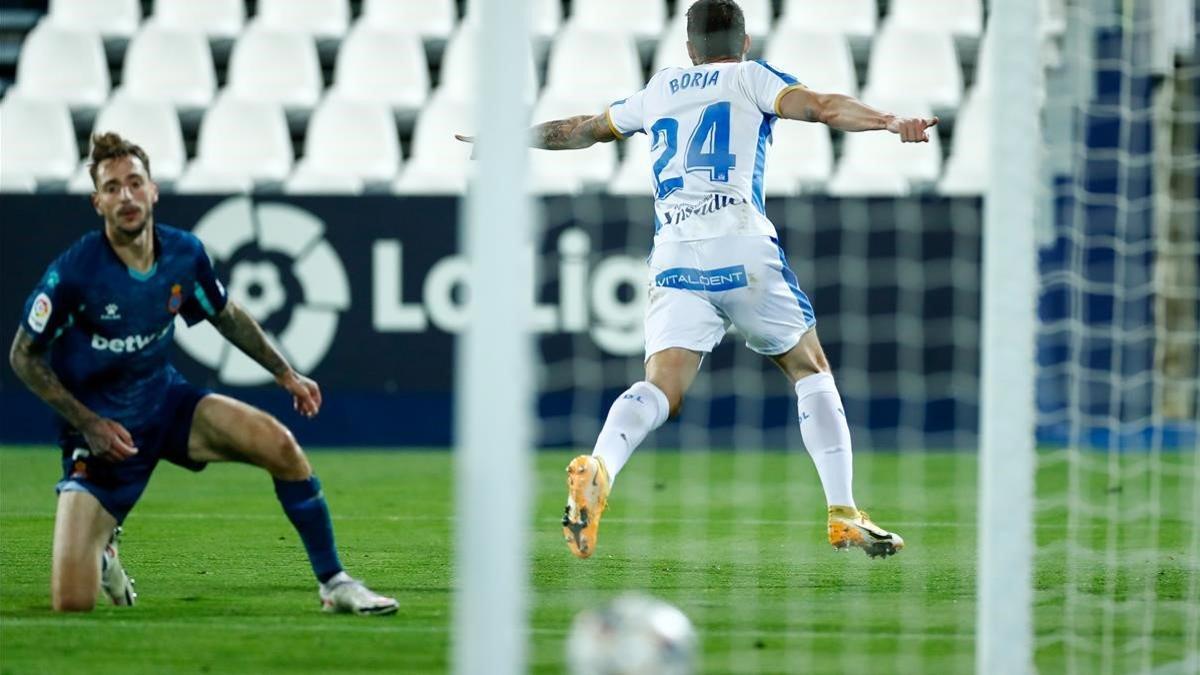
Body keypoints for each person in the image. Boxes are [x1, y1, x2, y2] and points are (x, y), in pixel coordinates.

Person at [461, 0, 937, 560]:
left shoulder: (660, 89)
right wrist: (886, 121)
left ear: (688, 49)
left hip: (675, 256)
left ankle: (601, 466)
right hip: (741, 242)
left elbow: (582, 130)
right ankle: (843, 514)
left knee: (662, 387)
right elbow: (825, 108)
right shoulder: (752, 77)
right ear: (746, 42)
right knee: (809, 367)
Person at [8, 132, 398, 615]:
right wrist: (89, 423)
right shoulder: (74, 275)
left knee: (282, 447)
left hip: (166, 406)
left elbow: (226, 314)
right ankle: (104, 550)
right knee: (72, 605)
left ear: (153, 191)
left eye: (135, 183)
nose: (126, 196)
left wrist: (286, 374)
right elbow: (23, 356)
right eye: (112, 188)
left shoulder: (184, 254)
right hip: (103, 437)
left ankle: (335, 583)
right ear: (97, 202)